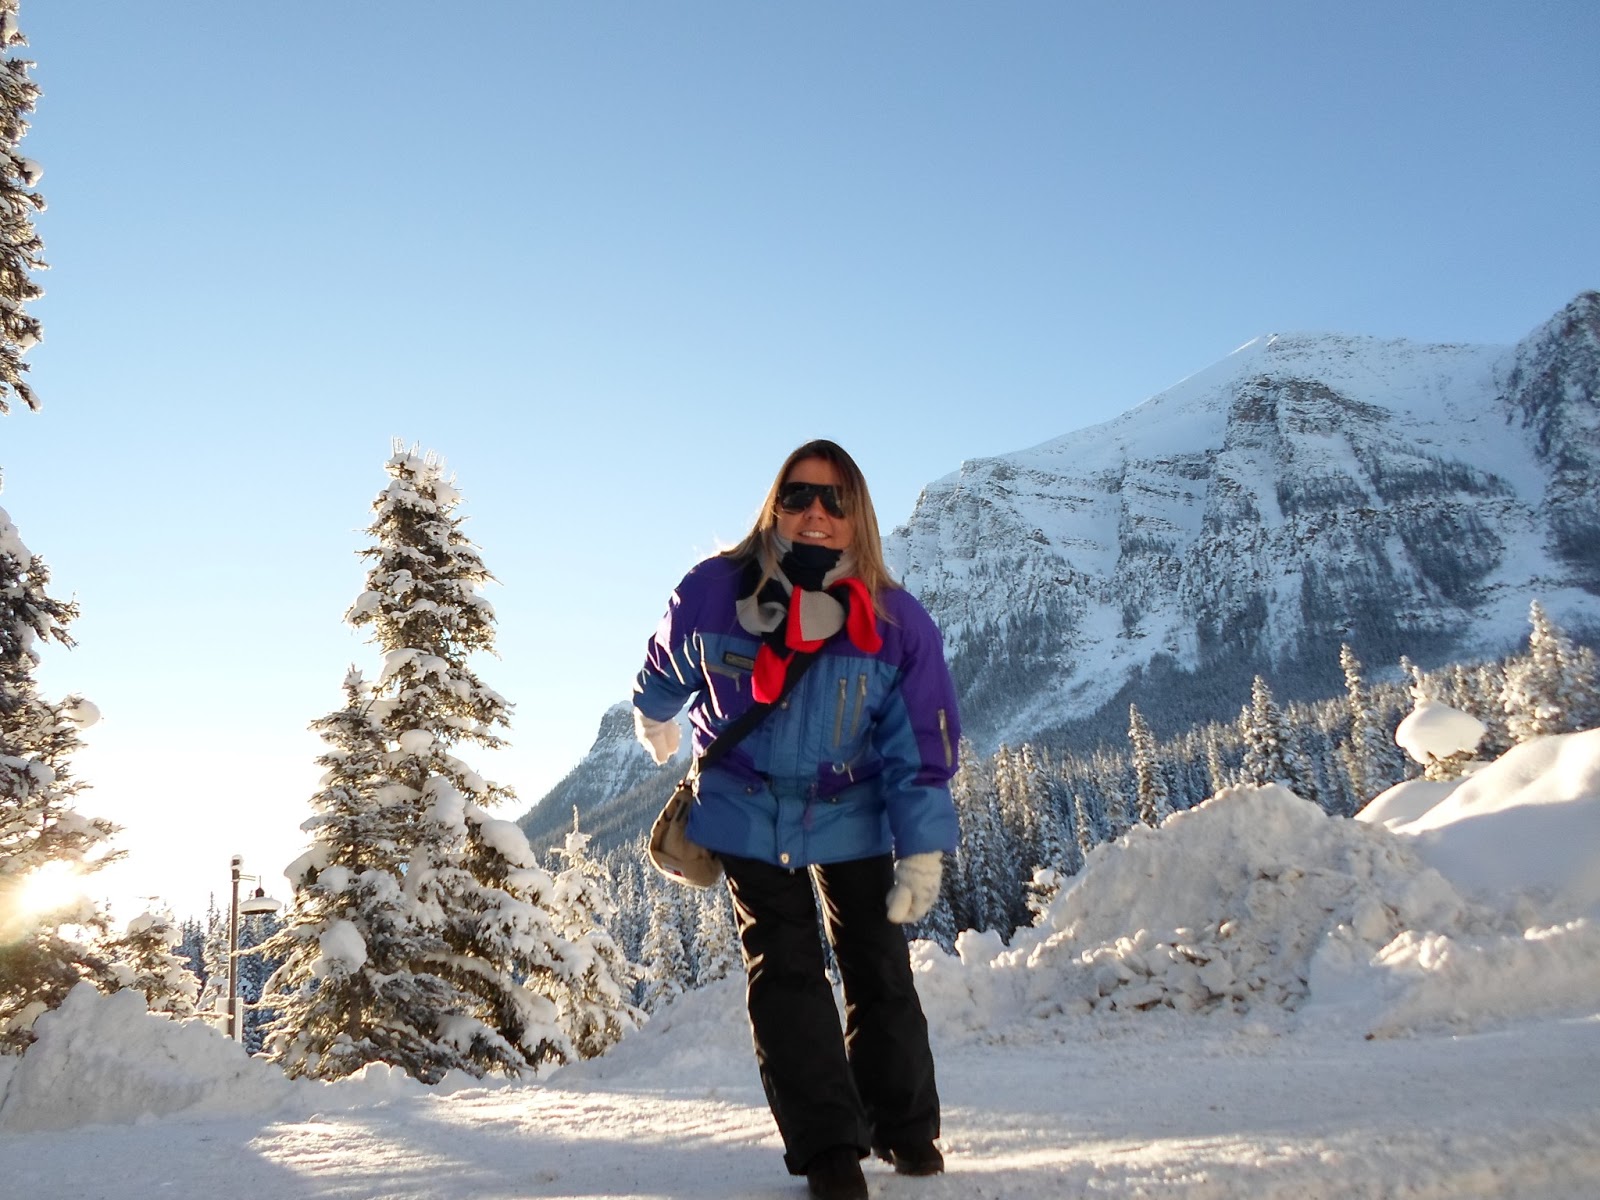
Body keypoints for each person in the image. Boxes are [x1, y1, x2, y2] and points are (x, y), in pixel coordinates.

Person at [632, 439, 961, 1200]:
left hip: (851, 805)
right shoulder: (714, 591)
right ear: (773, 507)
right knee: (785, 971)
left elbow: (919, 745)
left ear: (858, 516)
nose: (817, 513)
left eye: (835, 499)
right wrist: (654, 715)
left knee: (876, 961)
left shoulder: (896, 622)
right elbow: (666, 662)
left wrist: (921, 849)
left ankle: (907, 1131)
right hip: (745, 805)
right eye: (799, 497)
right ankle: (830, 1155)